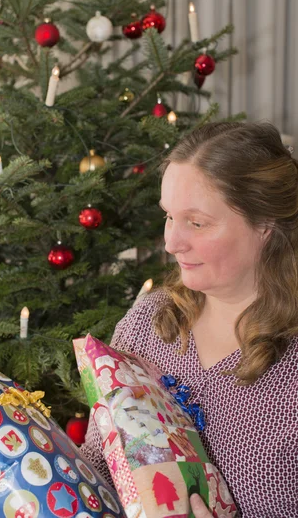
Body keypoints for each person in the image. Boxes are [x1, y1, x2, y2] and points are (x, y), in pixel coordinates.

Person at [80, 121, 298, 518]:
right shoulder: (149, 320)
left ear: (265, 225)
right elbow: (97, 461)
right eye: (169, 217)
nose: (171, 242)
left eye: (196, 222)